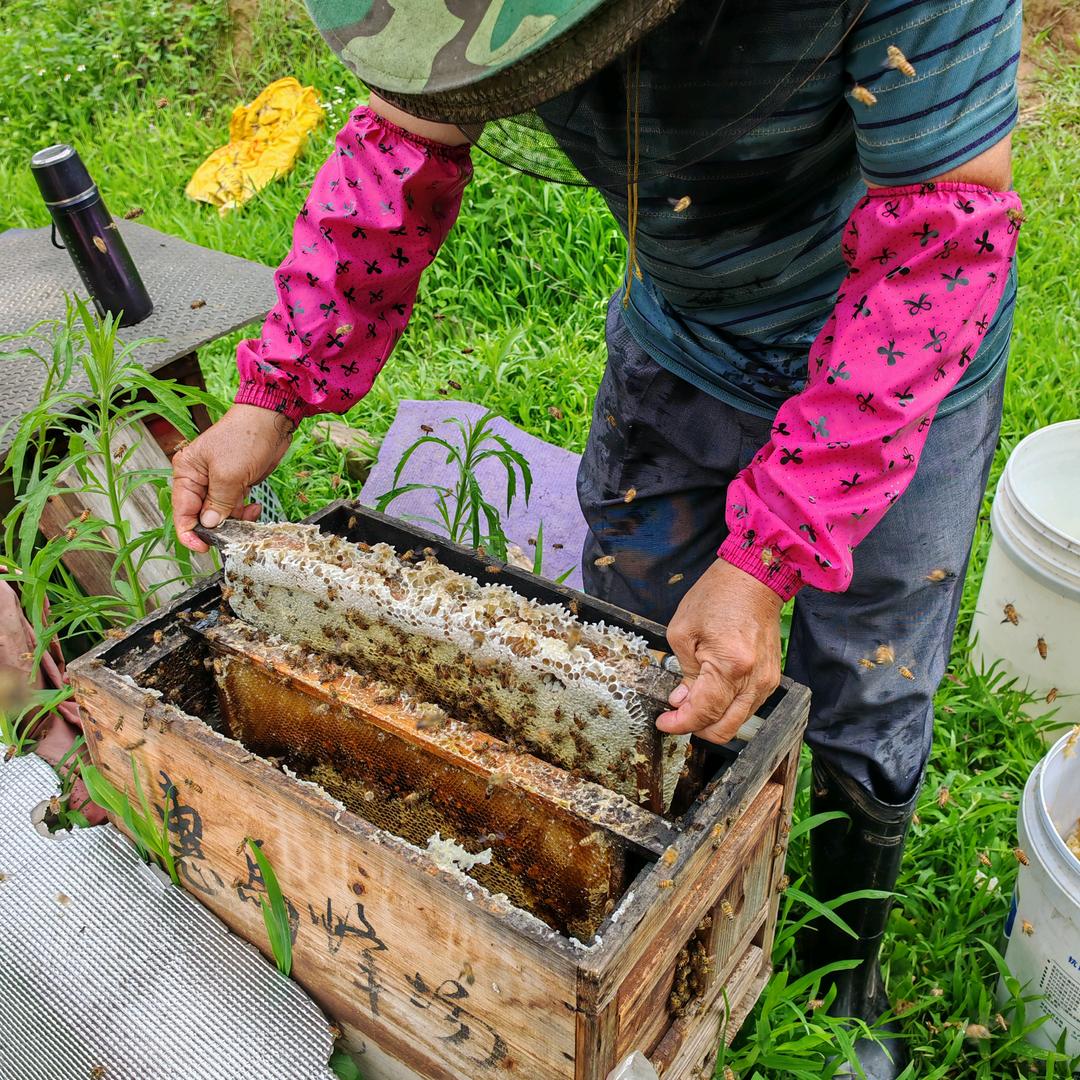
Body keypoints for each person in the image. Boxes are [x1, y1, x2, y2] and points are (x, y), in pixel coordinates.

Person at [172, 1, 1023, 1074]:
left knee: (864, 685)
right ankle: (648, 936)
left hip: (906, 358)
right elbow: (400, 142)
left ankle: (833, 976)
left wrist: (767, 558)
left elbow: (933, 249)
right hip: (683, 331)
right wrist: (274, 396)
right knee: (632, 647)